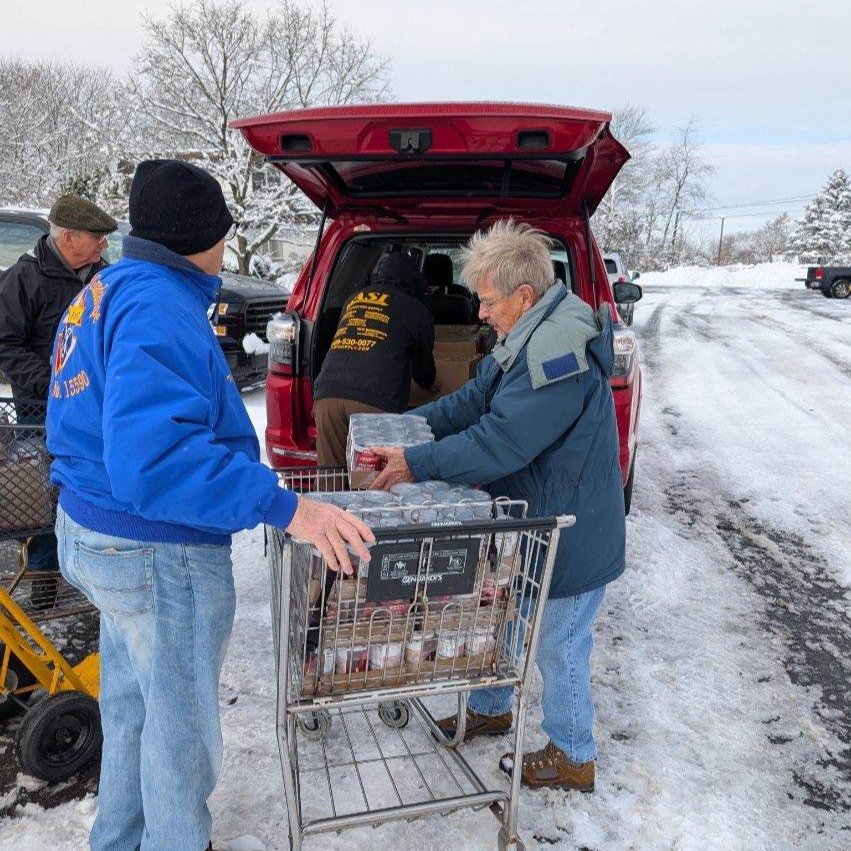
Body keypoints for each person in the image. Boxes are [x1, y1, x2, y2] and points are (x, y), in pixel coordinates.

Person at [46, 159, 374, 851]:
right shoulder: (159, 305)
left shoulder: (106, 288)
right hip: (155, 548)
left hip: (95, 528)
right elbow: (155, 459)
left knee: (136, 709)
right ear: (199, 235)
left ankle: (120, 840)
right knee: (179, 731)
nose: (226, 249)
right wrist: (291, 509)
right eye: (222, 234)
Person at [373, 219, 626, 792]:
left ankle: (573, 754)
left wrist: (418, 463)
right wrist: (416, 424)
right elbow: (474, 398)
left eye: (488, 302)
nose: (481, 313)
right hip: (531, 521)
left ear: (523, 296)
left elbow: (501, 441)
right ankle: (491, 707)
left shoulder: (558, 356)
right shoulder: (530, 334)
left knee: (559, 647)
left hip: (571, 533)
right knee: (501, 621)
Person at [0, 196, 116, 586]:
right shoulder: (24, 279)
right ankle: (46, 577)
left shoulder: (103, 277)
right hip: (42, 409)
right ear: (68, 237)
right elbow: (6, 345)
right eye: (97, 238)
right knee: (49, 493)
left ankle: (92, 566)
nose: (103, 245)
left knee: (93, 485)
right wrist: (52, 384)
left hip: (96, 405)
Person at [313, 250, 439, 466]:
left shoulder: (353, 299)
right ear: (413, 280)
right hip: (374, 404)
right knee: (375, 480)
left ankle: (327, 501)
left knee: (330, 476)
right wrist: (432, 385)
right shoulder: (415, 310)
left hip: (327, 398)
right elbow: (424, 371)